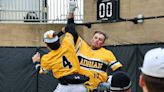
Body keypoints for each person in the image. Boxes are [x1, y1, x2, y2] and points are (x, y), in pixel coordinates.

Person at [60, 1, 123, 91]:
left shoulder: (107, 53)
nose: (97, 40)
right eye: (96, 38)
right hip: (79, 86)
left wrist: (111, 80)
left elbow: (118, 70)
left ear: (103, 43)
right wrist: (71, 11)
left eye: (100, 39)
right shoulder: (81, 45)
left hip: (97, 88)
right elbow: (71, 29)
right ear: (91, 39)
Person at [32, 1, 89, 92]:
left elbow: (42, 70)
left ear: (46, 45)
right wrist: (70, 11)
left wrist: (36, 62)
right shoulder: (67, 44)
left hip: (64, 87)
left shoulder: (47, 58)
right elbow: (70, 26)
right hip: (80, 86)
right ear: (58, 40)